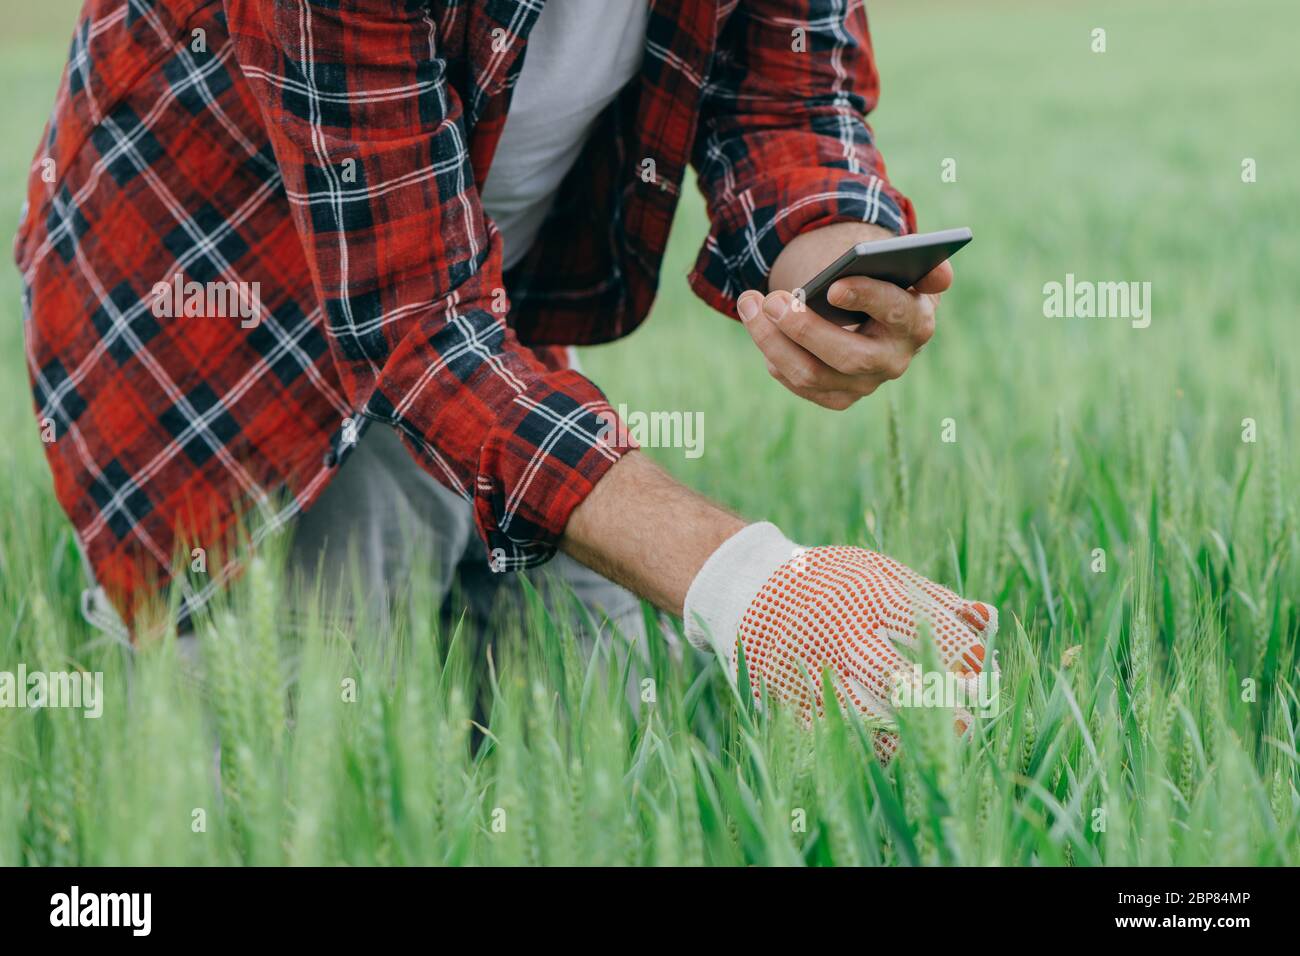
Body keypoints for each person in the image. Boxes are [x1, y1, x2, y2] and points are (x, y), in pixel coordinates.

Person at [15, 0, 995, 736]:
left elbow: (786, 85)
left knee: (607, 712)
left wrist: (829, 255)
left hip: (473, 291)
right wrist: (753, 584)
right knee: (306, 750)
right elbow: (419, 333)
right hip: (224, 340)